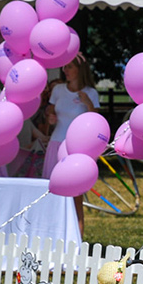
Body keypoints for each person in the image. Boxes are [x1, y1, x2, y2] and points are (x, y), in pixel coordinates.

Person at [44, 54, 99, 234]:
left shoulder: (91, 93)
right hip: (56, 144)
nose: (65, 70)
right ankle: (51, 234)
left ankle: (77, 237)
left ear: (79, 70)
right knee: (51, 192)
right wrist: (50, 118)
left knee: (75, 197)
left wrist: (88, 103)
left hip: (75, 149)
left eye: (69, 67)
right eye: (64, 66)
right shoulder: (58, 90)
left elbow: (96, 121)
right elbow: (51, 114)